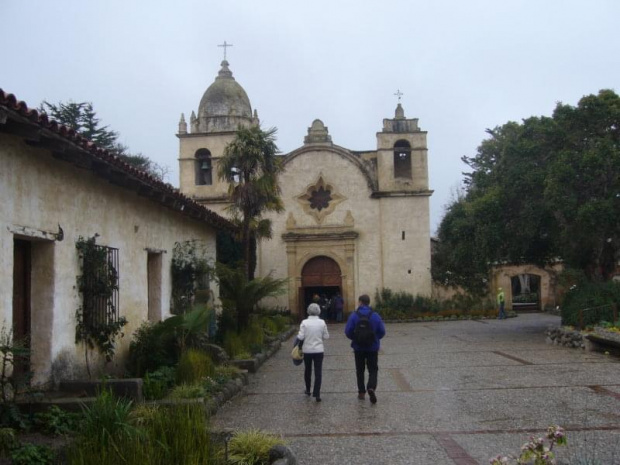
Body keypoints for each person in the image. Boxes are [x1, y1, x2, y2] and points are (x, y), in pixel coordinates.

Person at [344, 294, 386, 404]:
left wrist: (355, 338)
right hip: (372, 347)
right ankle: (371, 387)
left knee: (360, 370)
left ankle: (361, 392)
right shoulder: (375, 315)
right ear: (368, 302)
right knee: (373, 369)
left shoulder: (354, 315)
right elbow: (382, 331)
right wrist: (375, 338)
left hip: (358, 347)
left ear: (360, 302)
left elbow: (348, 331)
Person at [297, 303, 329, 402]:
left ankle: (308, 389)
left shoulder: (304, 322)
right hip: (319, 350)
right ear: (318, 311)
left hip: (307, 350)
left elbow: (300, 337)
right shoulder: (322, 322)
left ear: (308, 311)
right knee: (318, 371)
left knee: (308, 370)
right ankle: (317, 393)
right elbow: (326, 336)